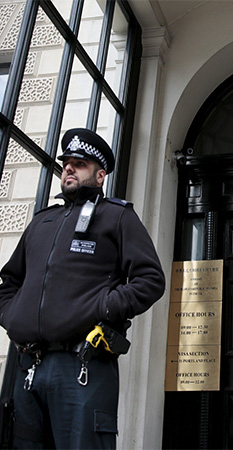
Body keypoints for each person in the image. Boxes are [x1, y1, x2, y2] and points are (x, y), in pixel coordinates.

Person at [0, 128, 166, 449]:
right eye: (66, 163)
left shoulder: (116, 217)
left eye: (80, 163)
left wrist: (102, 307)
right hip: (29, 366)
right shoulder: (41, 222)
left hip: (82, 367)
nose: (69, 168)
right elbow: (9, 282)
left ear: (100, 175)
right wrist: (12, 317)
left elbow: (150, 280)